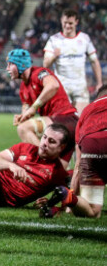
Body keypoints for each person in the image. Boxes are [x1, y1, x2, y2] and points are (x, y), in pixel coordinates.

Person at [37, 84, 107, 218]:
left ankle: (67, 196)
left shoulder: (88, 110)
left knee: (93, 211)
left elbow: (78, 166)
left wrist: (70, 202)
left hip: (91, 146)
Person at [6, 48, 78, 165]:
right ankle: (52, 170)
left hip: (66, 118)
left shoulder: (39, 73)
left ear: (21, 64)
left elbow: (53, 85)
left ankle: (42, 165)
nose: (7, 69)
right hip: (59, 126)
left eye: (10, 64)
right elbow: (26, 109)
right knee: (57, 175)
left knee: (23, 129)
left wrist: (34, 107)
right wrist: (21, 117)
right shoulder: (23, 88)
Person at [43, 9, 102, 113]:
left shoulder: (84, 39)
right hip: (62, 87)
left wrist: (99, 82)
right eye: (65, 22)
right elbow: (45, 64)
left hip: (80, 87)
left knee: (81, 120)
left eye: (70, 23)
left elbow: (94, 61)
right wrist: (54, 57)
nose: (67, 26)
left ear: (76, 22)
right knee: (62, 122)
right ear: (61, 21)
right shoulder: (54, 39)